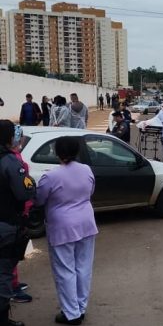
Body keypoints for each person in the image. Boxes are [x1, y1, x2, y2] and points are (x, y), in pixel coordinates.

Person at [36, 136, 97, 325]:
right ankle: (80, 307)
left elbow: (39, 199)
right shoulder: (86, 169)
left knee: (65, 270)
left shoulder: (51, 176)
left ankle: (71, 313)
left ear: (57, 153)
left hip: (62, 227)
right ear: (77, 151)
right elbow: (91, 191)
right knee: (84, 267)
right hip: (86, 223)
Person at [0, 119, 36, 326]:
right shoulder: (10, 162)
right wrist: (33, 185)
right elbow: (25, 192)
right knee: (4, 272)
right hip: (5, 224)